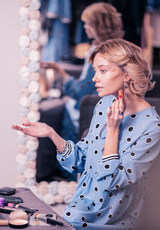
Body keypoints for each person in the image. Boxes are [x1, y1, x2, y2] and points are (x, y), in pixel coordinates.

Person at [13, 38, 160, 230]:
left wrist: (113, 130)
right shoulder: (104, 105)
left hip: (115, 221)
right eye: (95, 71)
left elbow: (113, 181)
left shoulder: (153, 127)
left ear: (127, 73)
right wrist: (51, 133)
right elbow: (82, 160)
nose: (94, 78)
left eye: (102, 70)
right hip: (81, 208)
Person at [36, 2, 125, 182]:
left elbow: (81, 90)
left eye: (88, 24)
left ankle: (60, 173)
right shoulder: (118, 48)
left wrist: (59, 71)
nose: (84, 27)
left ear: (97, 26)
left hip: (89, 105)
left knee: (50, 112)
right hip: (95, 100)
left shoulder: (99, 52)